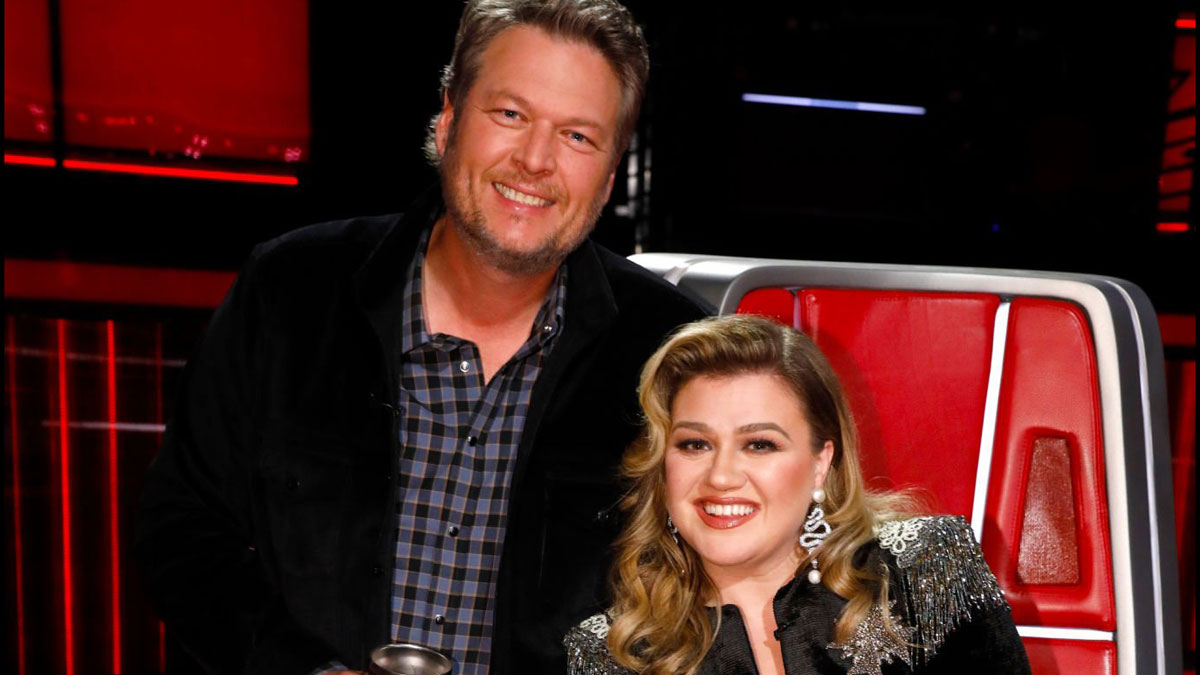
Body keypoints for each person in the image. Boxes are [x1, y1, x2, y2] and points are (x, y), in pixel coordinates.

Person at [135, 2, 708, 674]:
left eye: (577, 136)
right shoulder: (289, 290)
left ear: (610, 176)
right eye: (510, 114)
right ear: (448, 119)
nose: (535, 160)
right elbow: (182, 532)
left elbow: (720, 590)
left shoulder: (671, 352)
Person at [565, 315, 1031, 675]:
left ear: (820, 462)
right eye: (695, 444)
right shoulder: (613, 652)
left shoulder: (922, 571)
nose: (721, 477)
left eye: (759, 445)